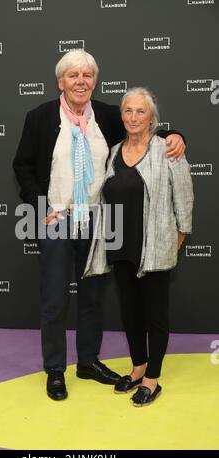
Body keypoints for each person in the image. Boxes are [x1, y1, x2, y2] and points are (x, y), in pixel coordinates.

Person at [13, 51, 186, 401]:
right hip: (56, 220)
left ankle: (88, 362)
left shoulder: (107, 115)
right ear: (60, 81)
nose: (81, 81)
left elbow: (144, 127)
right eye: (73, 75)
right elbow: (23, 166)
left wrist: (176, 135)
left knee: (93, 296)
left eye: (88, 75)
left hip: (99, 220)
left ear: (95, 81)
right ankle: (56, 369)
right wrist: (40, 206)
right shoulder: (39, 118)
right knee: (54, 299)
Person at [84, 87, 193, 406]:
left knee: (155, 314)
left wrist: (180, 234)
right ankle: (137, 366)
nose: (133, 117)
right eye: (128, 111)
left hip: (155, 245)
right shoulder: (114, 151)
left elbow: (184, 195)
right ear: (122, 116)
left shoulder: (168, 150)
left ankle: (153, 378)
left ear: (151, 118)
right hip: (119, 243)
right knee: (130, 312)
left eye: (140, 111)